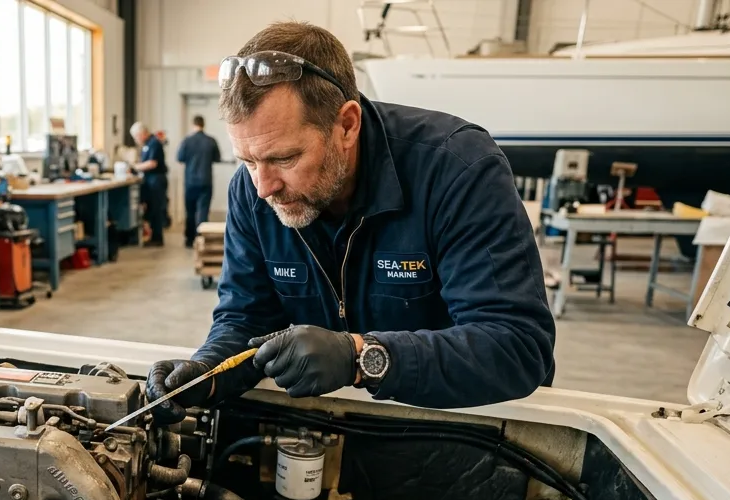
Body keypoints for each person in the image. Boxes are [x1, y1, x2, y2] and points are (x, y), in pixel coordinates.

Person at [146, 21, 555, 421]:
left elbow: (517, 347)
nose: (263, 188)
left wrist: (361, 356)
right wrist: (207, 373)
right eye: (248, 161)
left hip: (453, 430)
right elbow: (245, 319)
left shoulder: (457, 169)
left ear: (346, 124)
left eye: (285, 159)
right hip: (326, 431)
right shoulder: (249, 193)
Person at [177, 115, 223, 248]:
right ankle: (201, 239)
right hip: (205, 181)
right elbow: (217, 158)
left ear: (193, 124)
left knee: (190, 211)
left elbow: (179, 158)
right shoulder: (211, 141)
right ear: (203, 124)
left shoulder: (187, 141)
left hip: (190, 181)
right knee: (203, 210)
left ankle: (189, 239)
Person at [130, 121, 168, 246]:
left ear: (143, 133)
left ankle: (157, 239)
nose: (136, 140)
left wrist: (135, 167)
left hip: (156, 181)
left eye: (136, 137)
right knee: (151, 209)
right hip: (150, 181)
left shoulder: (154, 143)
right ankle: (153, 236)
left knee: (156, 210)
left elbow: (152, 163)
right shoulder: (147, 145)